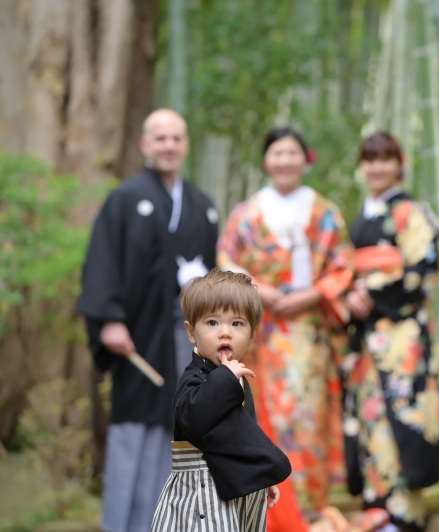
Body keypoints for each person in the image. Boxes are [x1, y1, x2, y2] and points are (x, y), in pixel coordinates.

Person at [76, 109, 219, 532]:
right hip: (138, 336)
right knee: (134, 429)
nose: (168, 145)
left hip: (187, 339)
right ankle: (122, 524)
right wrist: (108, 319)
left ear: (186, 145)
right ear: (144, 145)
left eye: (176, 138)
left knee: (180, 429)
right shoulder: (125, 199)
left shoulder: (202, 207)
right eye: (160, 138)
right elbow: (101, 263)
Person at [217, 126, 354, 531]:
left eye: (292, 152)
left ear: (304, 158)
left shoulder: (324, 212)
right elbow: (226, 257)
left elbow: (342, 265)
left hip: (307, 332)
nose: (284, 160)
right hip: (260, 329)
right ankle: (262, 509)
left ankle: (308, 511)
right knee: (258, 413)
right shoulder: (247, 213)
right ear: (265, 160)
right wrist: (258, 289)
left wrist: (311, 294)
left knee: (304, 415)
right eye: (277, 153)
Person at [342, 131, 439, 531]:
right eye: (370, 159)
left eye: (385, 159)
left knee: (401, 420)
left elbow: (424, 268)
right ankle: (379, 508)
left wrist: (367, 292)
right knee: (372, 418)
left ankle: (403, 514)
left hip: (400, 335)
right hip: (368, 335)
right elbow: (345, 269)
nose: (377, 167)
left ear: (400, 163)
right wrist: (348, 294)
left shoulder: (409, 211)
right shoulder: (364, 215)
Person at [151, 268, 292, 531]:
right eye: (212, 323)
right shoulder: (195, 378)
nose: (225, 332)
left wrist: (260, 472)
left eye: (237, 323)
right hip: (202, 489)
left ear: (252, 334)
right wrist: (225, 378)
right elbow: (191, 418)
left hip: (236, 484)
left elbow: (245, 433)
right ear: (192, 332)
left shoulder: (237, 377)